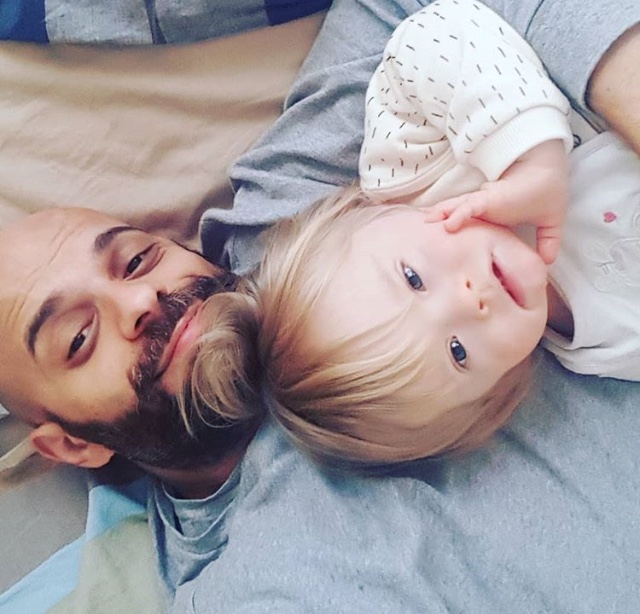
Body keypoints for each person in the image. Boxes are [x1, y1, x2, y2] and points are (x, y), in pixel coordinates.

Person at [0, 0, 639, 612]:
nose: (142, 298)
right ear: (71, 446)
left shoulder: (289, 219)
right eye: (79, 338)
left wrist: (541, 145)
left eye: (137, 259)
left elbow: (424, 22)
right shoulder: (266, 580)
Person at [194, 0, 640, 468]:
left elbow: (441, 34)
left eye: (413, 278)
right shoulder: (601, 343)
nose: (471, 301)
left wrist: (528, 158)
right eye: (458, 352)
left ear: (372, 214)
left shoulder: (418, 176)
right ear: (491, 396)